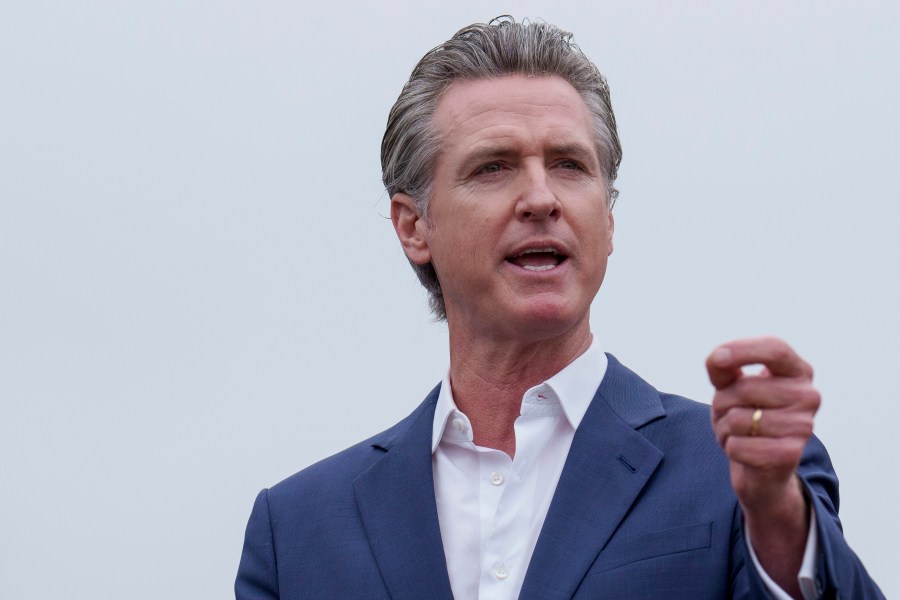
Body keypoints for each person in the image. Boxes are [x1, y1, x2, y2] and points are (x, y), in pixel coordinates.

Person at [236, 17, 883, 599]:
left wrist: (775, 518)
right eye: (494, 167)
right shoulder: (296, 530)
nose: (541, 197)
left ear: (607, 217)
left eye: (570, 165)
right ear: (413, 226)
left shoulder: (738, 472)